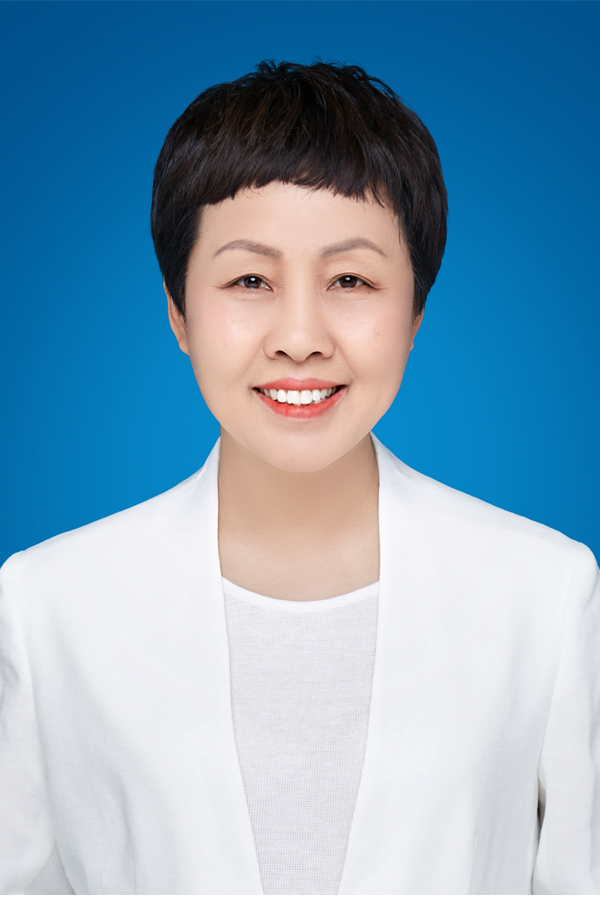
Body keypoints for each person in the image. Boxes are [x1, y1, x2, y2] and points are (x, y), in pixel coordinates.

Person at [0, 59, 598, 896]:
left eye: (351, 280)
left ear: (416, 311)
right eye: (250, 280)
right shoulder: (45, 606)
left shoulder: (546, 592)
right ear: (178, 310)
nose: (300, 336)